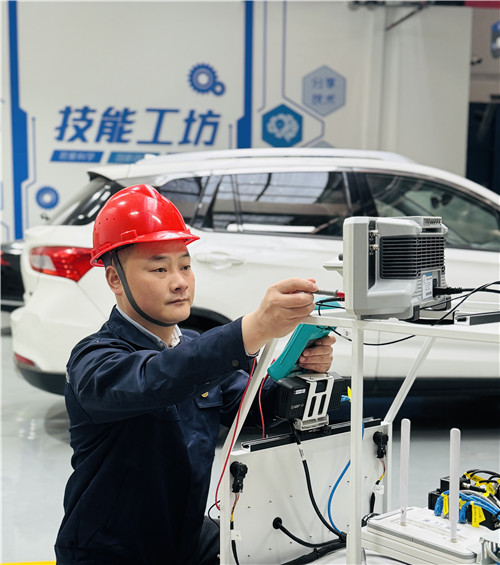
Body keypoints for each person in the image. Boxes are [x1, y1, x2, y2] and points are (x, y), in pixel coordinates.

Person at [54, 184, 335, 565]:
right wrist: (252, 328)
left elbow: (256, 408)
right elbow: (158, 379)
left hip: (187, 538)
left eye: (185, 266)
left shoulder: (194, 346)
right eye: (159, 268)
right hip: (111, 551)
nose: (180, 282)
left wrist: (298, 368)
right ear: (115, 280)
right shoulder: (93, 360)